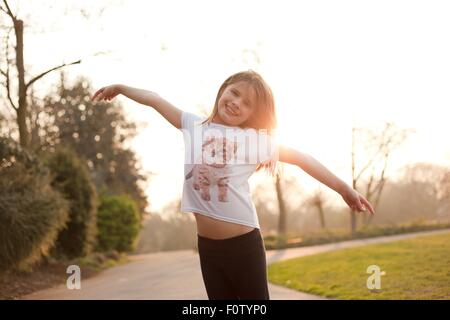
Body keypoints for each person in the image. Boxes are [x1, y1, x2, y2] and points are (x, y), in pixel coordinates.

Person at [91, 70, 375, 300]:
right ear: (223, 89)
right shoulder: (194, 125)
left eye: (247, 103)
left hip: (244, 246)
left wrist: (343, 189)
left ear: (253, 113)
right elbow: (154, 98)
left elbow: (302, 158)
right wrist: (120, 87)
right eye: (235, 92)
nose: (237, 102)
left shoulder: (255, 141)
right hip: (208, 247)